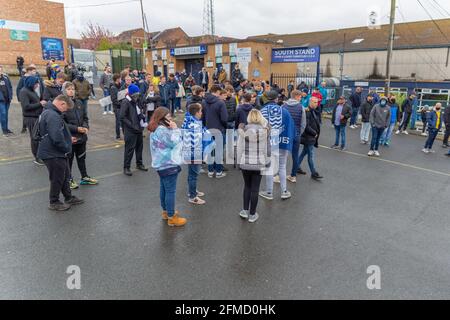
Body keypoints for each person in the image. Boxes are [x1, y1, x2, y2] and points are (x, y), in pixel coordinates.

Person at [37, 95, 84, 211]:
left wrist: (68, 138)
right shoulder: (53, 115)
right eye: (66, 108)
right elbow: (56, 137)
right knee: (57, 178)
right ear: (62, 103)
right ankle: (54, 201)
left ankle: (68, 197)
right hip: (53, 153)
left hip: (53, 151)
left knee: (65, 175)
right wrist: (66, 147)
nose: (66, 111)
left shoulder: (49, 112)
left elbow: (56, 132)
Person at [149, 107, 186, 227]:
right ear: (162, 117)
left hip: (160, 163)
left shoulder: (155, 128)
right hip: (168, 163)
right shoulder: (162, 130)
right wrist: (175, 130)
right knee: (170, 190)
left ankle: (166, 212)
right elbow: (173, 142)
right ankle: (172, 217)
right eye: (169, 117)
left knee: (164, 188)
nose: (171, 119)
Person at [61, 82, 98, 189]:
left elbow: (85, 117)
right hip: (70, 137)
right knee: (69, 159)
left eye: (72, 89)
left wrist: (85, 127)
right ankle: (69, 179)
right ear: (64, 91)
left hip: (81, 136)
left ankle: (84, 177)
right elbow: (62, 123)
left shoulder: (79, 102)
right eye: (68, 89)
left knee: (81, 157)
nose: (71, 91)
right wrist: (77, 128)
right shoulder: (63, 105)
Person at [236, 109, 271, 223]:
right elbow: (267, 149)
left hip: (245, 163)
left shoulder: (243, 130)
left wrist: (238, 162)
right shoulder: (265, 131)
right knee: (255, 189)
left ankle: (245, 211)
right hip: (259, 163)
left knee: (247, 186)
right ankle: (252, 214)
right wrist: (267, 161)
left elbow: (239, 147)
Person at [259, 90, 294, 200]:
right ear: (276, 99)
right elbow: (291, 127)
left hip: (269, 143)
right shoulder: (285, 111)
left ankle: (269, 192)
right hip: (283, 142)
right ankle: (284, 191)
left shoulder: (262, 111)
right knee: (282, 166)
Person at [181, 103, 210, 205]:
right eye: (201, 111)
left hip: (188, 151)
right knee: (194, 175)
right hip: (194, 153)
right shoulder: (195, 124)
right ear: (197, 112)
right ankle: (193, 196)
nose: (202, 113)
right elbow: (199, 140)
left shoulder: (187, 120)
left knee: (191, 174)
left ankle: (192, 191)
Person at [120, 84, 148, 176]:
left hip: (138, 128)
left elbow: (139, 111)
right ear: (131, 94)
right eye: (135, 94)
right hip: (130, 130)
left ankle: (139, 164)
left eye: (138, 94)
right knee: (129, 149)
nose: (137, 95)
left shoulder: (136, 100)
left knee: (139, 147)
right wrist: (132, 125)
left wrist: (142, 118)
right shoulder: (126, 102)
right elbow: (122, 117)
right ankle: (126, 167)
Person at [202, 84, 228, 178]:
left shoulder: (204, 102)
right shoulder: (220, 103)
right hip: (218, 129)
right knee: (218, 151)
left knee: (210, 150)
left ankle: (210, 171)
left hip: (208, 129)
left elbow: (202, 117)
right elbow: (224, 118)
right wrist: (224, 126)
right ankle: (218, 172)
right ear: (217, 91)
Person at [19, 76, 46, 165]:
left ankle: (40, 155)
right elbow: (26, 107)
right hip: (30, 118)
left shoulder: (31, 90)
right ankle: (37, 157)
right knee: (34, 138)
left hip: (37, 116)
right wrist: (40, 104)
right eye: (36, 83)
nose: (38, 85)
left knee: (38, 137)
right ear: (31, 83)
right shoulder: (24, 92)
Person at [283, 90, 306, 183]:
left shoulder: (283, 106)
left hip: (285, 134)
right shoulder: (301, 107)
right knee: (295, 155)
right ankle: (293, 176)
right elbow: (303, 124)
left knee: (282, 155)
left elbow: (281, 121)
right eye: (300, 96)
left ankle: (280, 175)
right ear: (296, 96)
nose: (301, 98)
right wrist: (299, 133)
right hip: (296, 134)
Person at [297, 97, 323, 180]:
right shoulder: (307, 112)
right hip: (309, 138)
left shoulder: (313, 111)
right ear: (310, 102)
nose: (316, 104)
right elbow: (306, 126)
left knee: (303, 153)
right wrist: (314, 133)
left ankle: (296, 167)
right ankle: (313, 173)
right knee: (311, 156)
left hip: (310, 138)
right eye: (315, 102)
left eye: (317, 102)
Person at [0, 65, 13, 137]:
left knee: (6, 115)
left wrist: (10, 95)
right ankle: (4, 131)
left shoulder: (5, 77)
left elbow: (10, 87)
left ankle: (7, 129)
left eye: (1, 70)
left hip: (7, 100)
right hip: (1, 101)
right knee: (3, 115)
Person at [110, 74, 123, 140]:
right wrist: (121, 104)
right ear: (117, 79)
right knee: (118, 122)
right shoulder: (113, 88)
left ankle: (124, 134)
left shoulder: (120, 86)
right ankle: (118, 135)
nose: (120, 79)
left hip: (121, 106)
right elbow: (113, 100)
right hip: (117, 107)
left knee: (122, 120)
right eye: (120, 78)